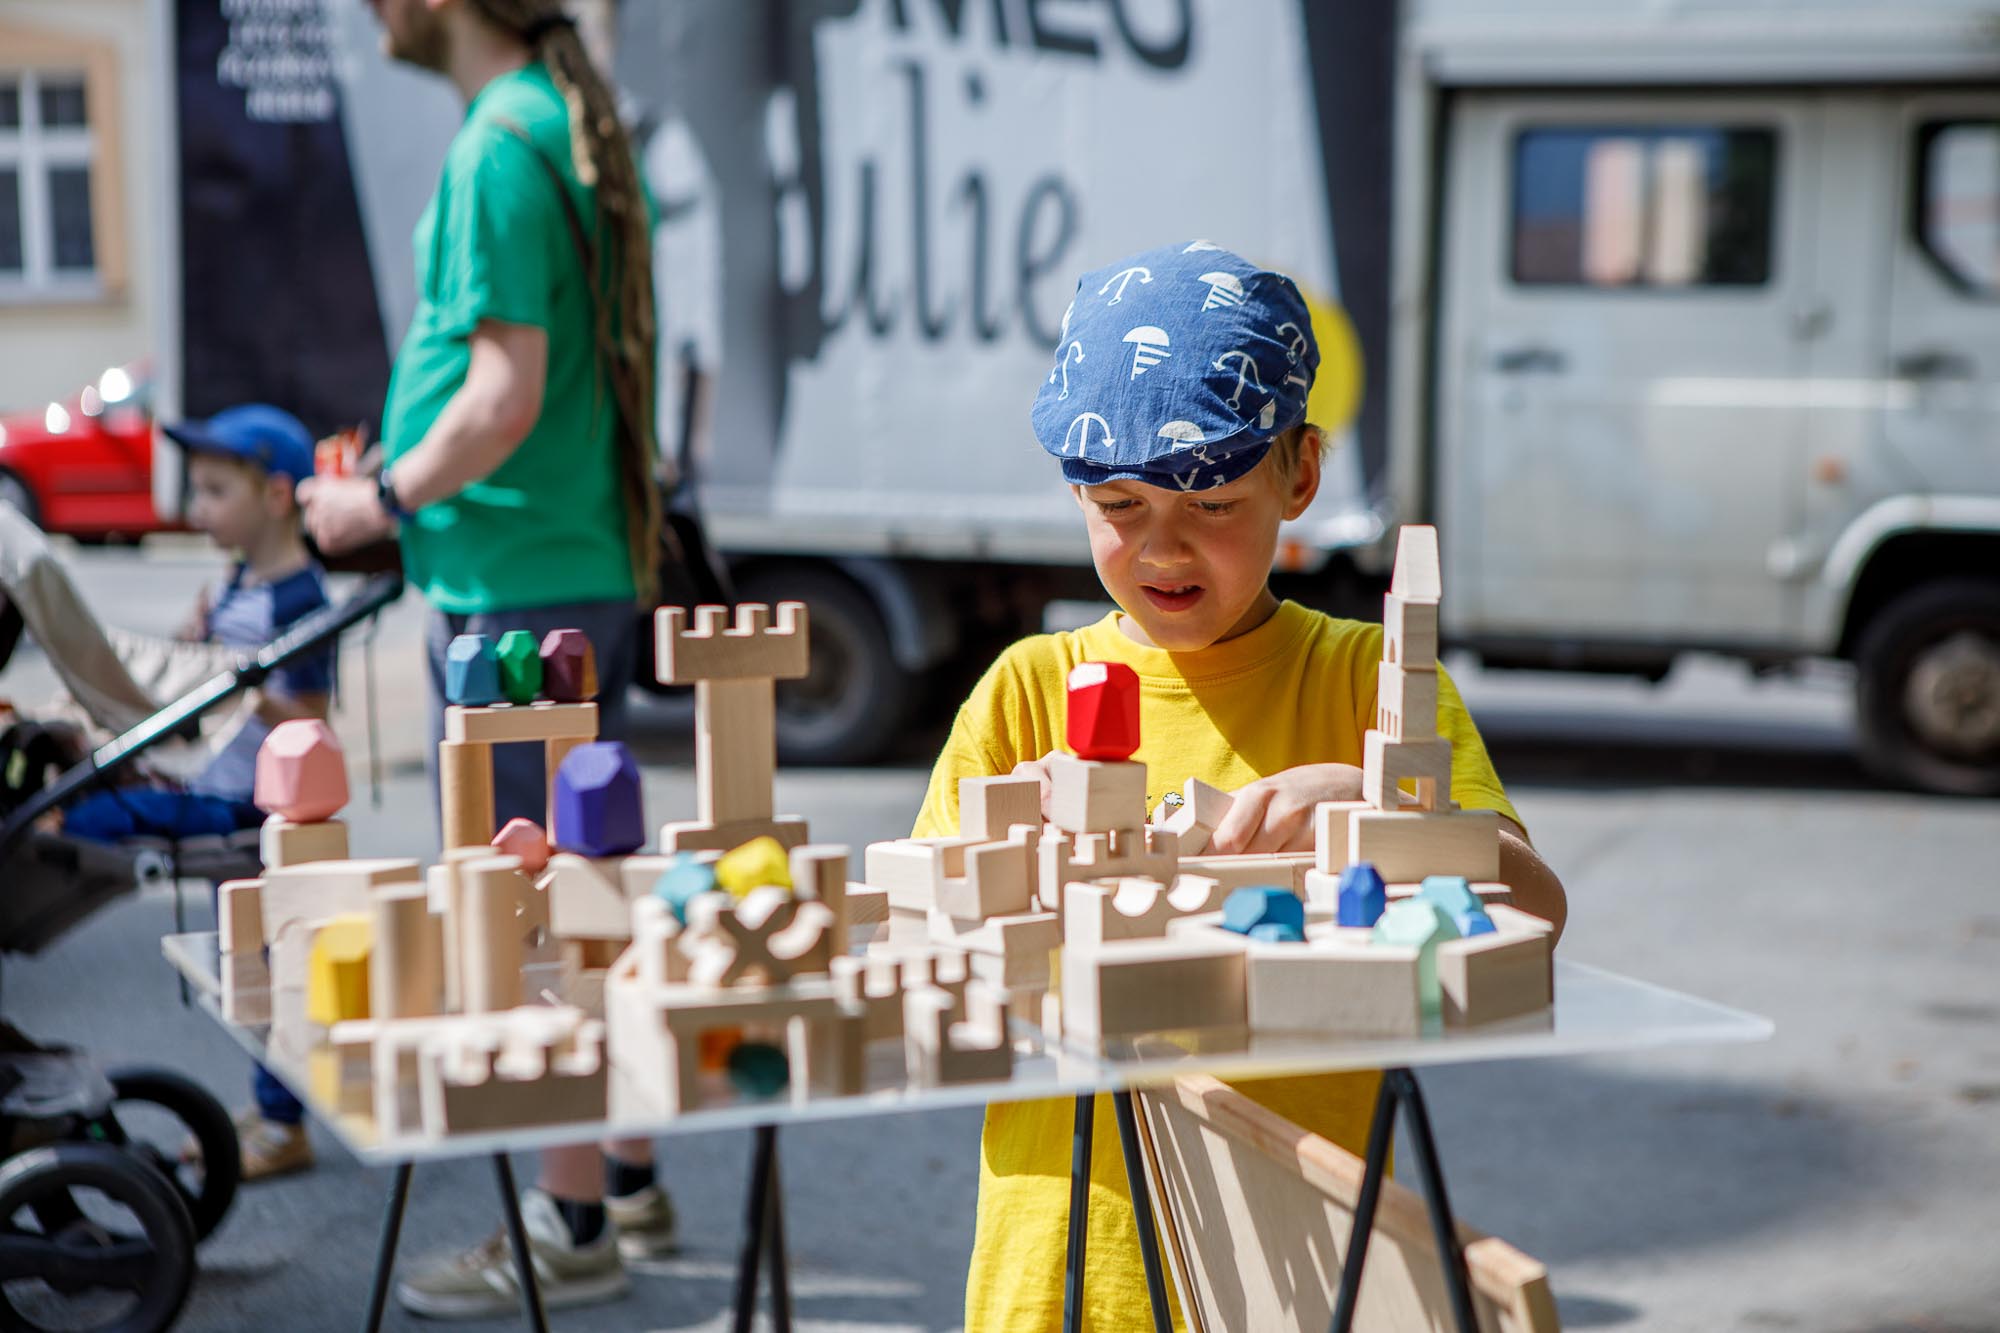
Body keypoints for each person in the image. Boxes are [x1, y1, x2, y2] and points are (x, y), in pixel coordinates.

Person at [910, 240, 1569, 1330]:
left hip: (1293, 1259)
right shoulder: (1028, 689)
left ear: (1297, 475)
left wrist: (1368, 809)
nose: (1161, 547)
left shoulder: (1368, 684)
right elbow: (918, 951)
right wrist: (1010, 848)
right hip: (1065, 1258)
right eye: (1117, 504)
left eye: (1210, 503)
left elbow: (1531, 915)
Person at [300, 0, 671, 1317]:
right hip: (574, 565)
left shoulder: (495, 148)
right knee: (590, 887)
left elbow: (503, 395)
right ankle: (623, 1177)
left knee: (525, 914)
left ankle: (570, 1225)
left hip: (512, 592)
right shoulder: (554, 123)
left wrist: (380, 498)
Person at [67, 404, 335, 1180]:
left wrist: (241, 689)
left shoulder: (296, 599)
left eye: (216, 491)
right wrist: (200, 653)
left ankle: (282, 1126)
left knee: (260, 963)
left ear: (278, 496)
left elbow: (310, 722)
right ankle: (272, 1112)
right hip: (215, 780)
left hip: (253, 805)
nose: (198, 508)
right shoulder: (235, 584)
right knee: (246, 969)